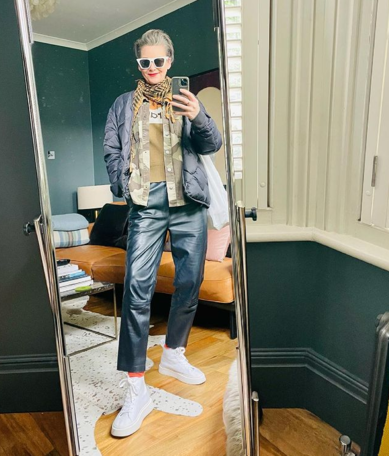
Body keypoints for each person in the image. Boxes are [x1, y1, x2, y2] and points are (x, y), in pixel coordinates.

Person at [102, 29, 222, 438]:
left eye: (158, 61)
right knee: (137, 288)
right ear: (138, 64)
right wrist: (122, 183)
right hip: (145, 203)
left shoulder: (186, 99)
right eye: (145, 62)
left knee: (190, 281)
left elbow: (211, 144)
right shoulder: (124, 105)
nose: (152, 68)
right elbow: (111, 149)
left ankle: (173, 353)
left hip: (188, 201)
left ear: (169, 61)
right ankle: (136, 387)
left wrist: (198, 115)